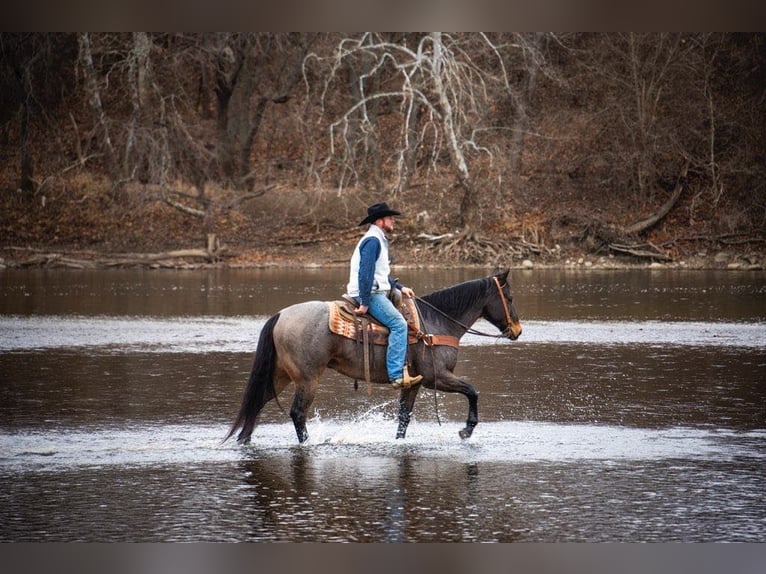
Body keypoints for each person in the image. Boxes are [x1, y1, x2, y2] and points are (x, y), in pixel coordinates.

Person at [346, 202, 423, 389]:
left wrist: (399, 286)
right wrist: (364, 302)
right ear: (380, 221)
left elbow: (379, 273)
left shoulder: (377, 238)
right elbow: (365, 273)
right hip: (370, 294)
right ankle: (396, 375)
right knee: (399, 324)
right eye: (390, 218)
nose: (393, 221)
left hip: (373, 290)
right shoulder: (373, 240)